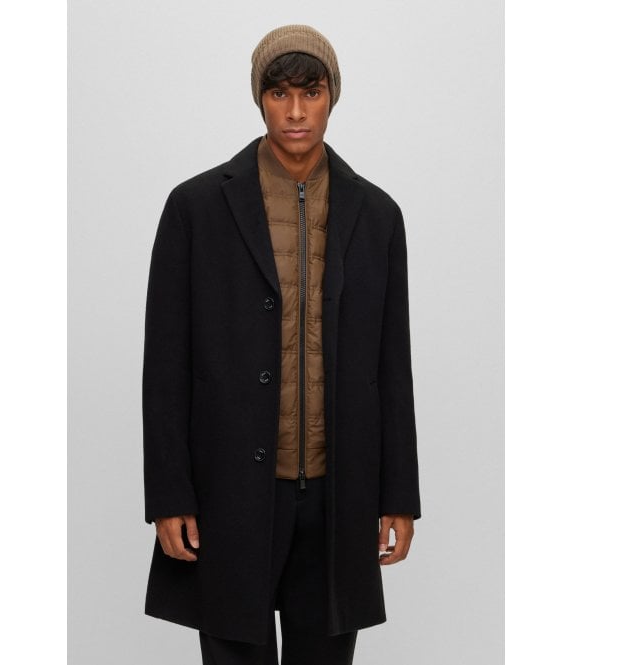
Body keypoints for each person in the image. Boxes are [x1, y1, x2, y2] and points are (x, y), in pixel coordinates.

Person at [142, 24, 422, 665]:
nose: (296, 111)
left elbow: (392, 366)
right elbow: (165, 366)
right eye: (279, 93)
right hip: (229, 489)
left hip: (337, 491)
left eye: (311, 92)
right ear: (260, 98)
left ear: (332, 97)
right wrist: (170, 494)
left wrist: (398, 495)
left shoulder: (377, 216)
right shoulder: (195, 208)